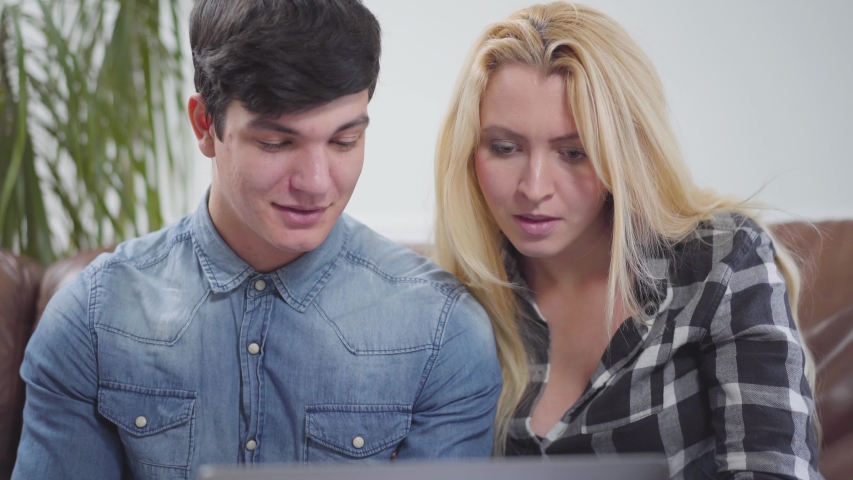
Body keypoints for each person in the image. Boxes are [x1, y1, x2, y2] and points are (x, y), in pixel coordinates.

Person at [13, 0, 501, 477]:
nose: (316, 183)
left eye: (344, 141)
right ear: (205, 125)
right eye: (276, 143)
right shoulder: (93, 319)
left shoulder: (442, 332)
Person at [434, 2, 821, 478]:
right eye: (505, 148)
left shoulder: (722, 262)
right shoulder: (453, 298)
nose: (533, 188)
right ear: (469, 151)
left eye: (574, 152)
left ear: (627, 152)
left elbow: (773, 468)